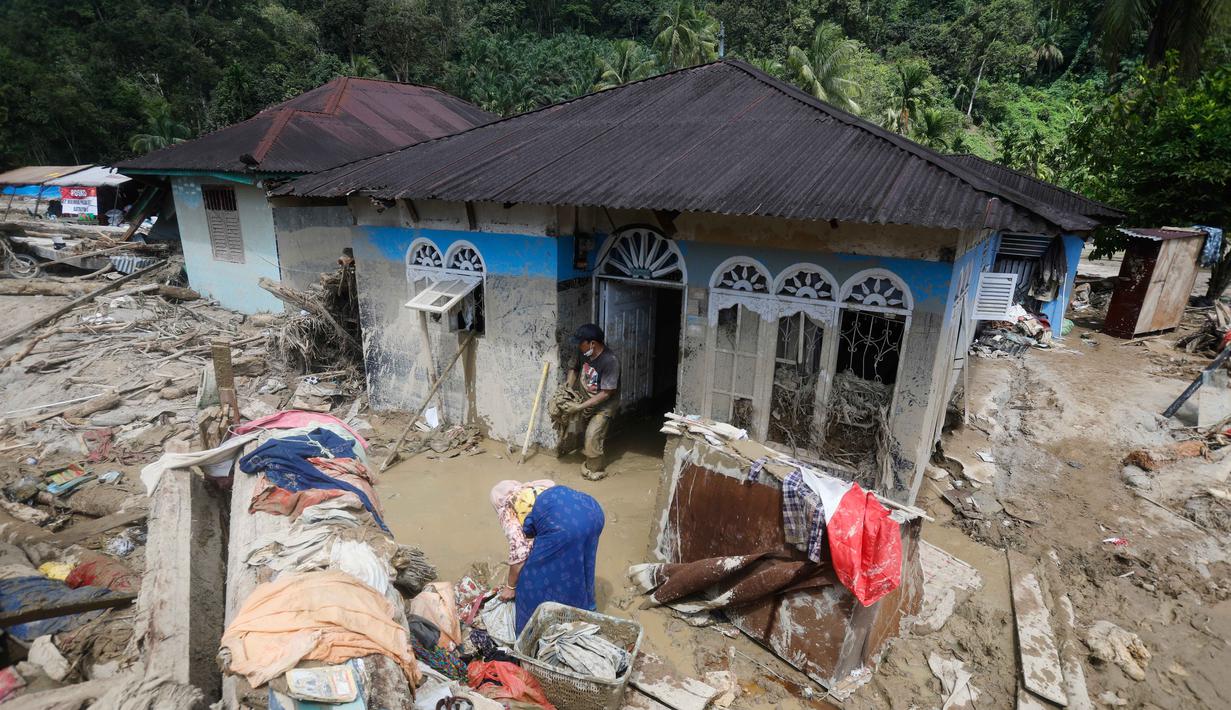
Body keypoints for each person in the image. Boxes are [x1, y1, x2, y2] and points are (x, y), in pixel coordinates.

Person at [489, 480, 605, 633]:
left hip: (566, 529)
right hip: (593, 512)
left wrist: (511, 587)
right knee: (578, 566)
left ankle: (531, 631)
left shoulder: (507, 510)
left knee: (529, 580)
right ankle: (583, 614)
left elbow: (520, 554)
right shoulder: (535, 488)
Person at [565, 323, 620, 480]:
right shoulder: (582, 352)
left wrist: (580, 406)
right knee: (585, 433)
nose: (578, 346)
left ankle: (594, 471)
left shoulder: (610, 361)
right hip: (586, 401)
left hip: (604, 406)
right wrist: (568, 389)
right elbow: (574, 368)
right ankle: (592, 457)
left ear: (592, 343)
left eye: (580, 342)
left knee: (592, 436)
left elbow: (607, 393)